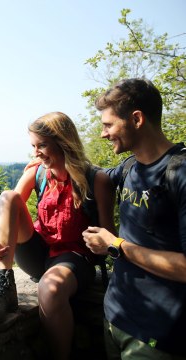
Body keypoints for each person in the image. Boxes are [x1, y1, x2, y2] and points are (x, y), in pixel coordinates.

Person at [0, 111, 116, 360]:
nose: (36, 153)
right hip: (38, 251)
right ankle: (2, 284)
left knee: (50, 290)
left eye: (42, 145)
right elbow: (6, 208)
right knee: (9, 196)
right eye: (33, 145)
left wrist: (102, 244)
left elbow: (110, 237)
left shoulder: (97, 180)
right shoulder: (37, 172)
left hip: (74, 258)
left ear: (63, 142)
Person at [82, 78, 186, 359]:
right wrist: (106, 226)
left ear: (137, 119)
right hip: (114, 317)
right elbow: (101, 176)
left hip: (156, 336)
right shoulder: (129, 167)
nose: (104, 134)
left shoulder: (180, 172)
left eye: (108, 125)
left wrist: (114, 244)